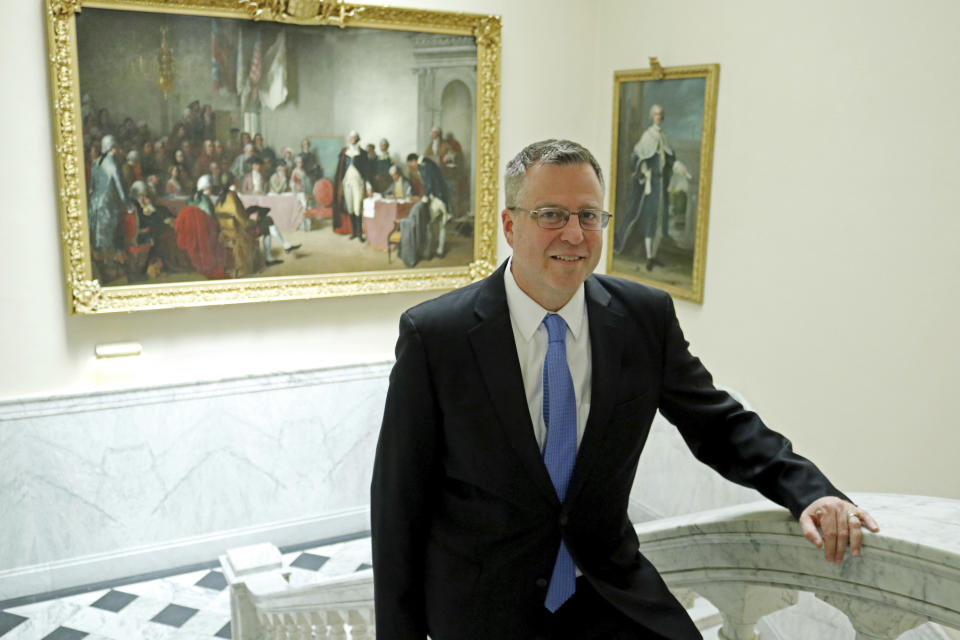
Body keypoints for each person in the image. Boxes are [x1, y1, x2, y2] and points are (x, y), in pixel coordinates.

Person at [371, 139, 878, 640]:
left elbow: (719, 424)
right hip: (483, 607)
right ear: (509, 225)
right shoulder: (437, 337)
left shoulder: (643, 318)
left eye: (589, 216)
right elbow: (398, 503)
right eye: (551, 214)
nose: (574, 234)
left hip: (608, 590)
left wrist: (810, 493)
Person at [613, 104, 674, 270]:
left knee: (660, 220)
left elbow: (668, 159)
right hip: (650, 186)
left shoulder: (664, 136)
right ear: (651, 116)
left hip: (661, 185)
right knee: (650, 221)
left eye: (660, 114)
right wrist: (644, 170)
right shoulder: (648, 136)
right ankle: (648, 257)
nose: (658, 117)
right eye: (655, 114)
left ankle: (653, 255)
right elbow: (637, 156)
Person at [333, 130, 372, 240]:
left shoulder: (363, 153)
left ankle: (359, 234)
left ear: (357, 139)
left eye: (354, 137)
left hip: (358, 183)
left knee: (357, 207)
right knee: (349, 206)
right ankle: (354, 232)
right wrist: (339, 185)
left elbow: (367, 170)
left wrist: (368, 186)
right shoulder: (344, 152)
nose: (352, 139)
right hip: (346, 183)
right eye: (350, 137)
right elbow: (339, 170)